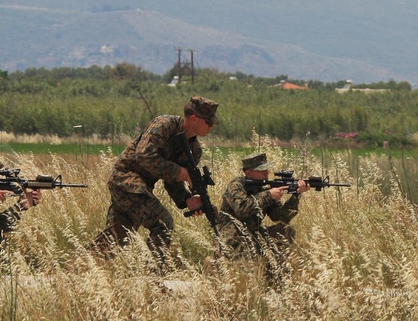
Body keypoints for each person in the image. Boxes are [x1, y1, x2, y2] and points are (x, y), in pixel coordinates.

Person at [90, 95, 218, 264]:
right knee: (163, 224)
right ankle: (154, 279)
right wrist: (179, 171)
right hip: (125, 180)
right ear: (194, 118)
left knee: (117, 237)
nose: (211, 126)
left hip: (140, 188)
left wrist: (187, 199)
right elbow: (143, 155)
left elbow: (173, 182)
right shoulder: (164, 125)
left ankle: (79, 270)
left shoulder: (194, 150)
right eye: (208, 122)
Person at [217, 152, 309, 279]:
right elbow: (242, 208)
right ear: (248, 173)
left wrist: (296, 195)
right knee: (243, 268)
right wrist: (269, 195)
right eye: (261, 170)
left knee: (287, 231)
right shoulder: (237, 185)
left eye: (266, 169)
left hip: (254, 235)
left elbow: (281, 217)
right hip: (234, 237)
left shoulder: (265, 188)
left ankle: (274, 272)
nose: (266, 172)